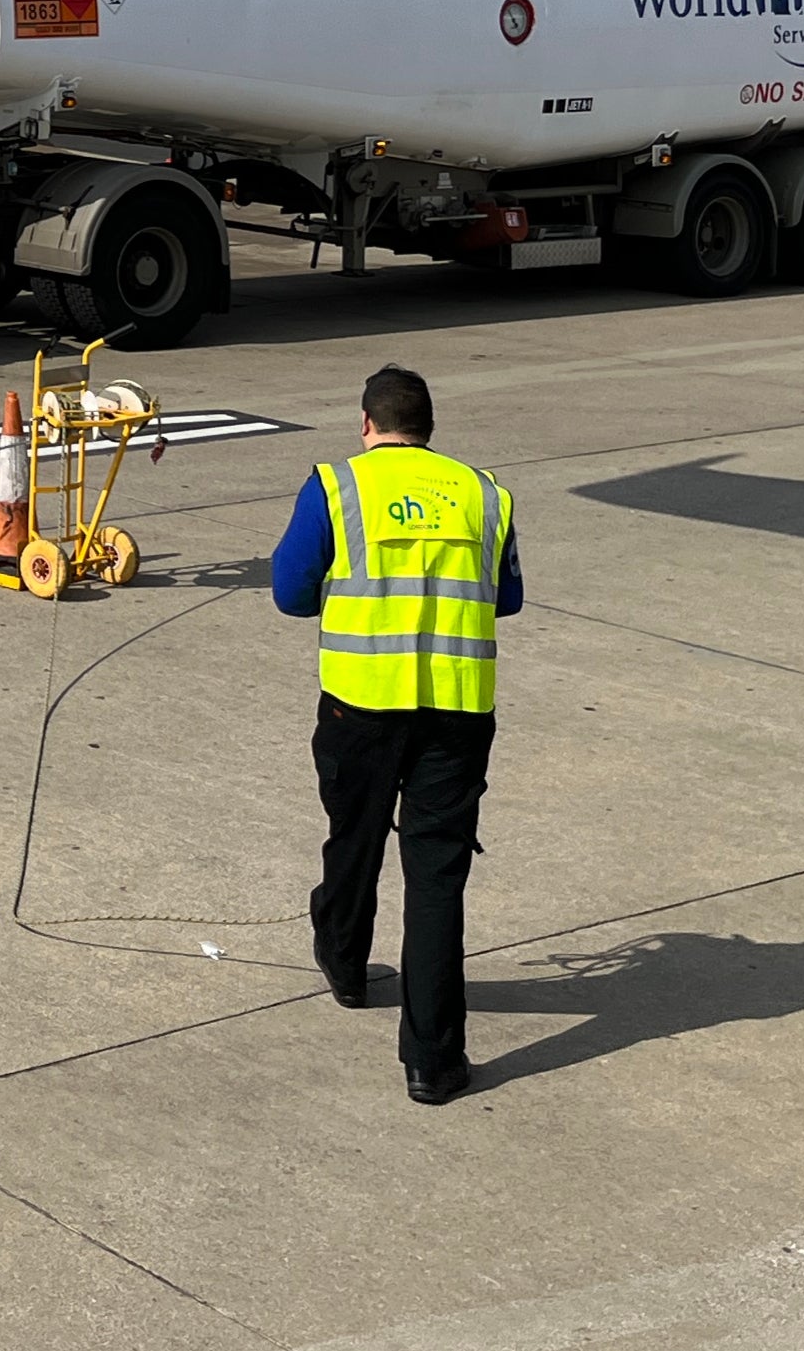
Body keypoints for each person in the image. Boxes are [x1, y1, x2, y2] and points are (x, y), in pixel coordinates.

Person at [268, 363, 520, 1104]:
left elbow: (288, 593)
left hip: (360, 703)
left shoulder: (336, 485)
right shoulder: (483, 492)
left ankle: (345, 963)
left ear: (366, 423)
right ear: (430, 427)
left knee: (354, 835)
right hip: (455, 710)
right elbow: (505, 597)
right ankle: (432, 1060)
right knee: (437, 877)